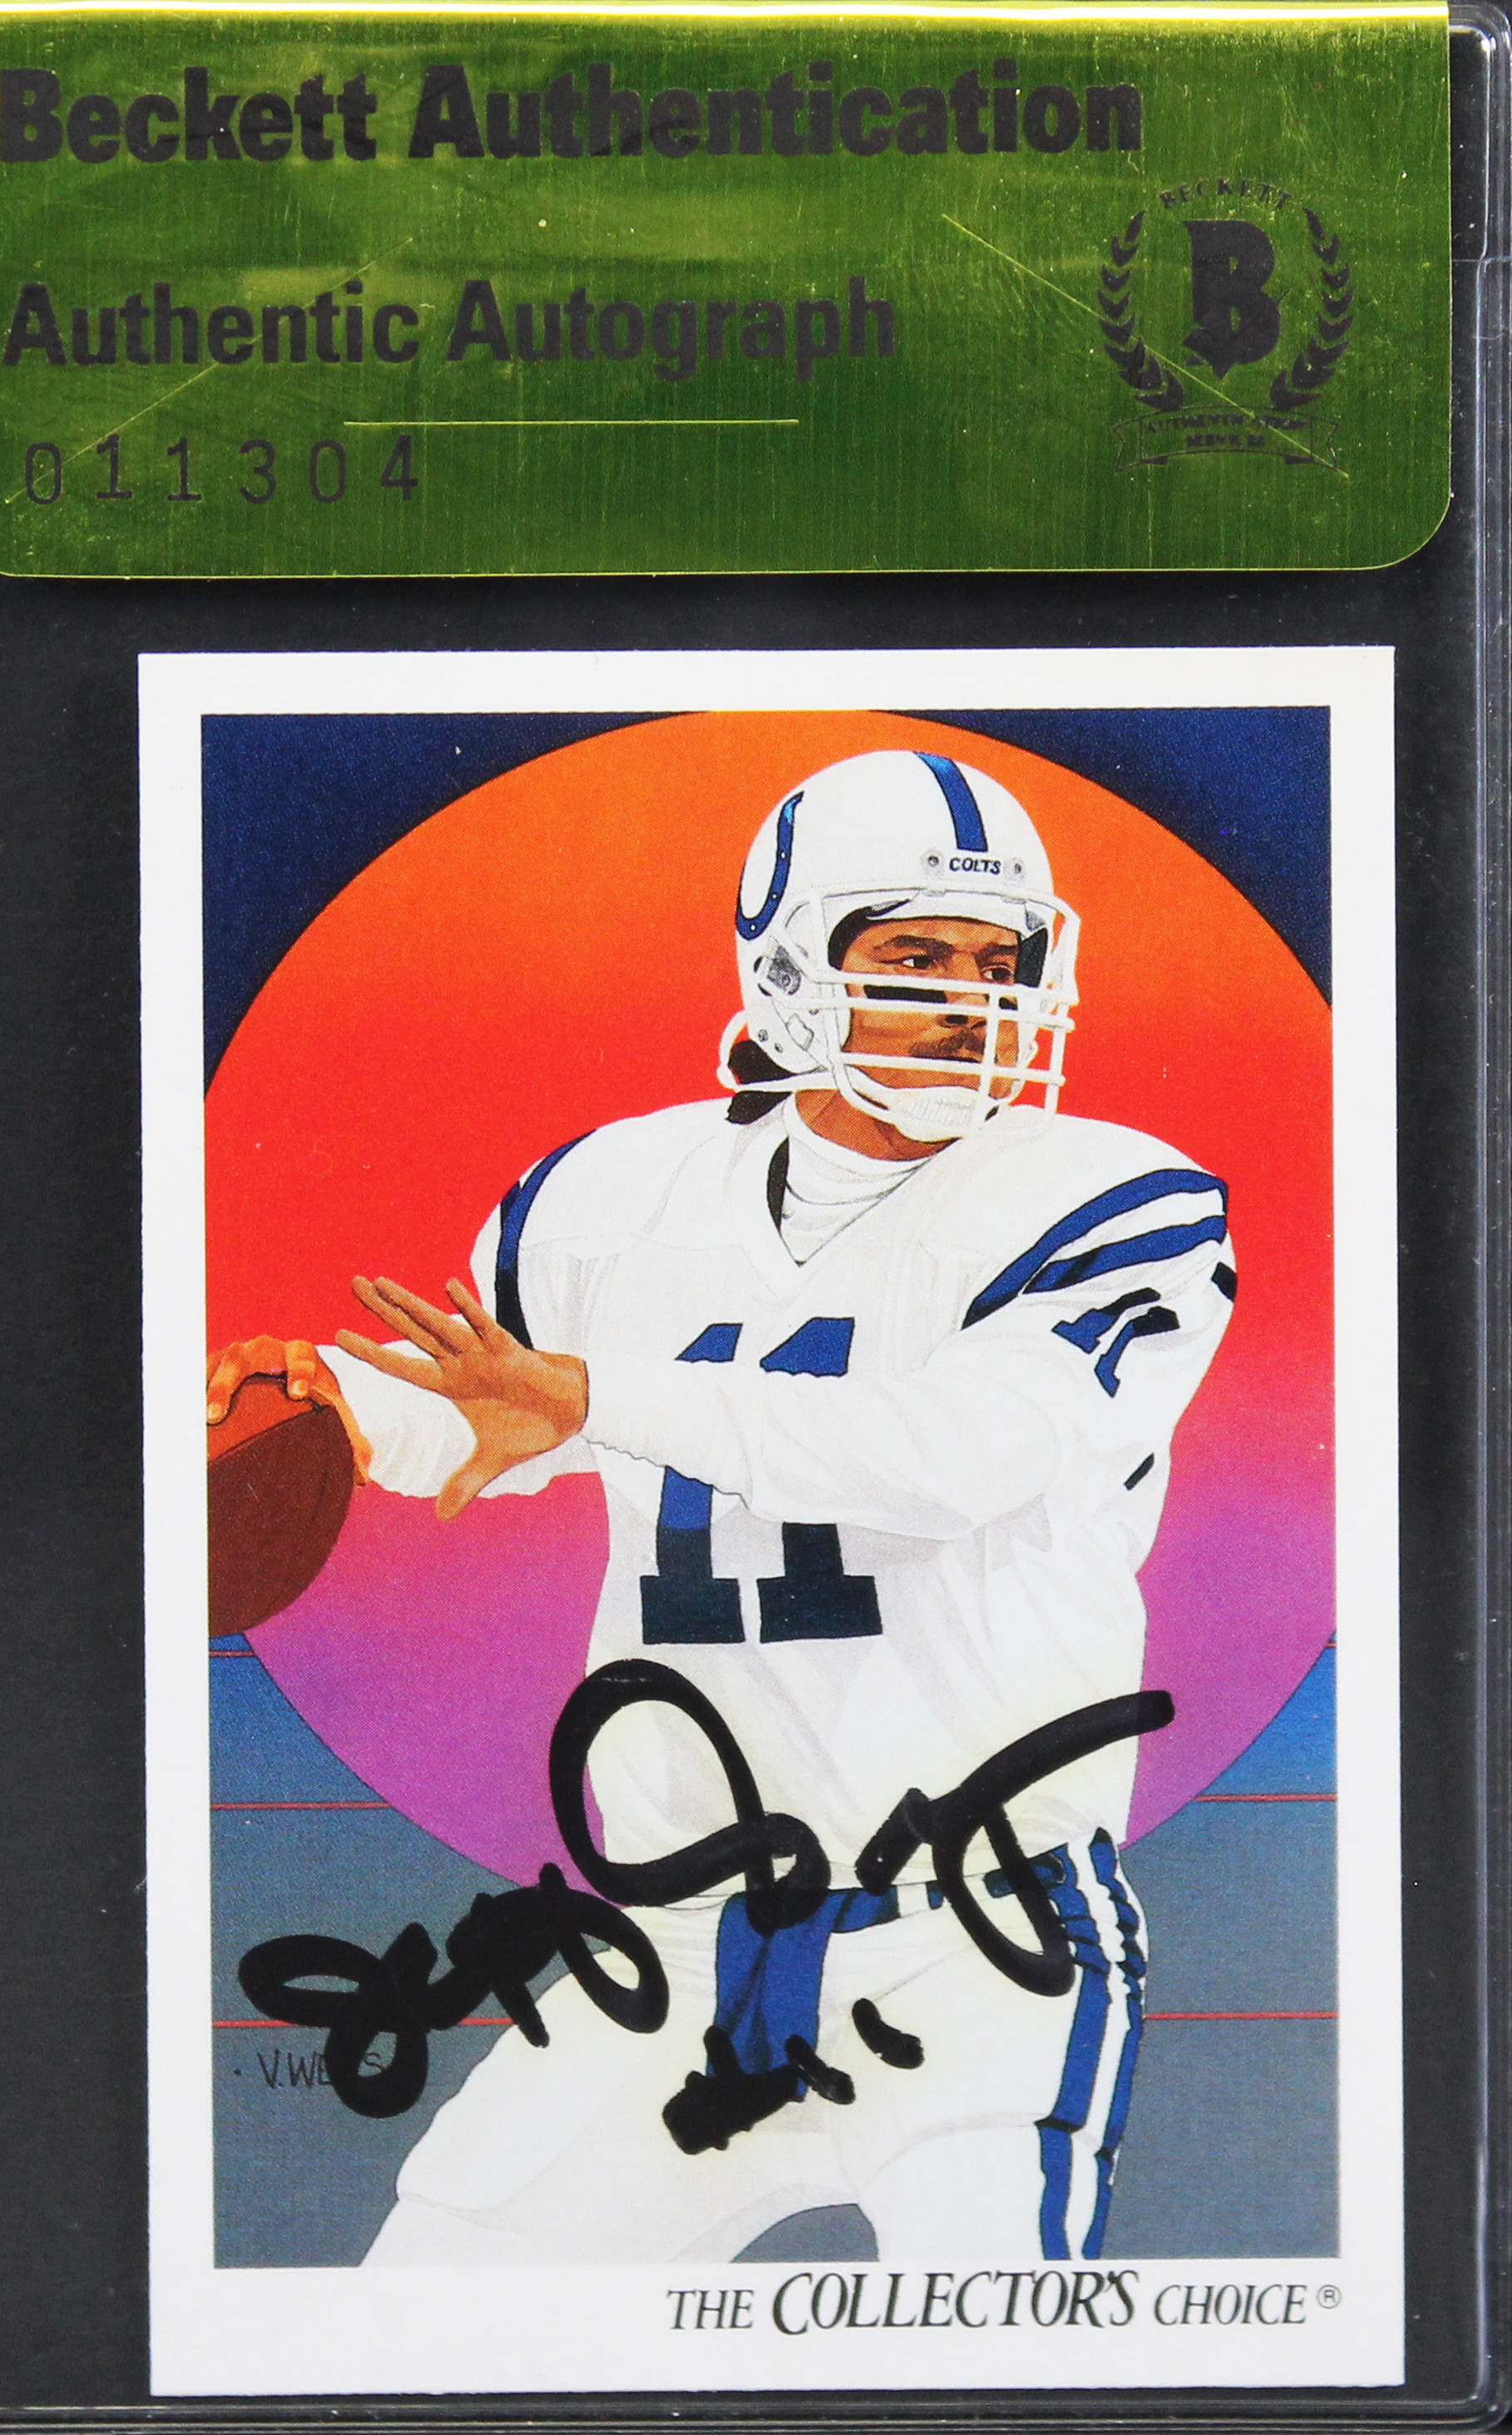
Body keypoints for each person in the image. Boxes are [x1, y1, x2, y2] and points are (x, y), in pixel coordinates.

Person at [207, 747, 1236, 2266]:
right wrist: (345, 1413)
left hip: (978, 1938)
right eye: (915, 956)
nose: (972, 1000)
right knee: (420, 2321)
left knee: (992, 2352)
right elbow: (496, 1420)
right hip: (675, 1938)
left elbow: (956, 1456)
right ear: (789, 965)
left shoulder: (1115, 1198)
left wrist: (593, 1395)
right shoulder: (607, 1192)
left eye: (996, 960)